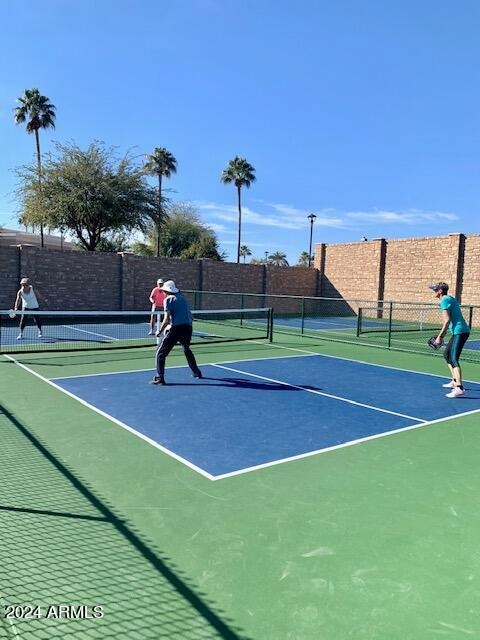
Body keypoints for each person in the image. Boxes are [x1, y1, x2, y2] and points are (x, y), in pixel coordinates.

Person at [150, 280, 202, 385]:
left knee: (160, 353)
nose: (163, 292)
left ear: (166, 291)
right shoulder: (183, 298)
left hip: (176, 329)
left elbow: (167, 319)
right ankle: (197, 372)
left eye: (164, 290)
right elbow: (190, 316)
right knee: (186, 349)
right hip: (188, 328)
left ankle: (160, 377)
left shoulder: (168, 300)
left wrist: (159, 331)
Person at [430, 282, 470, 398]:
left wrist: (440, 337)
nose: (434, 291)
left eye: (435, 289)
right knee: (447, 354)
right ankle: (454, 380)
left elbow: (447, 321)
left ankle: (459, 388)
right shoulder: (449, 298)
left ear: (440, 291)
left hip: (460, 331)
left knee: (453, 358)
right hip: (458, 331)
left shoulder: (444, 300)